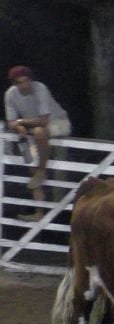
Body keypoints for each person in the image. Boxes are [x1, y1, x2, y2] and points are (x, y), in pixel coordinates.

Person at [4, 65, 71, 221]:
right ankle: (39, 212)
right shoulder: (10, 94)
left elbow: (44, 120)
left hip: (58, 122)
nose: (24, 85)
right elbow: (11, 123)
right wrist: (20, 127)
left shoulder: (40, 88)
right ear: (14, 83)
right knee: (30, 164)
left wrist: (20, 122)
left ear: (31, 80)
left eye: (26, 81)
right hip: (33, 129)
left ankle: (42, 170)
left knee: (39, 132)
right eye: (20, 82)